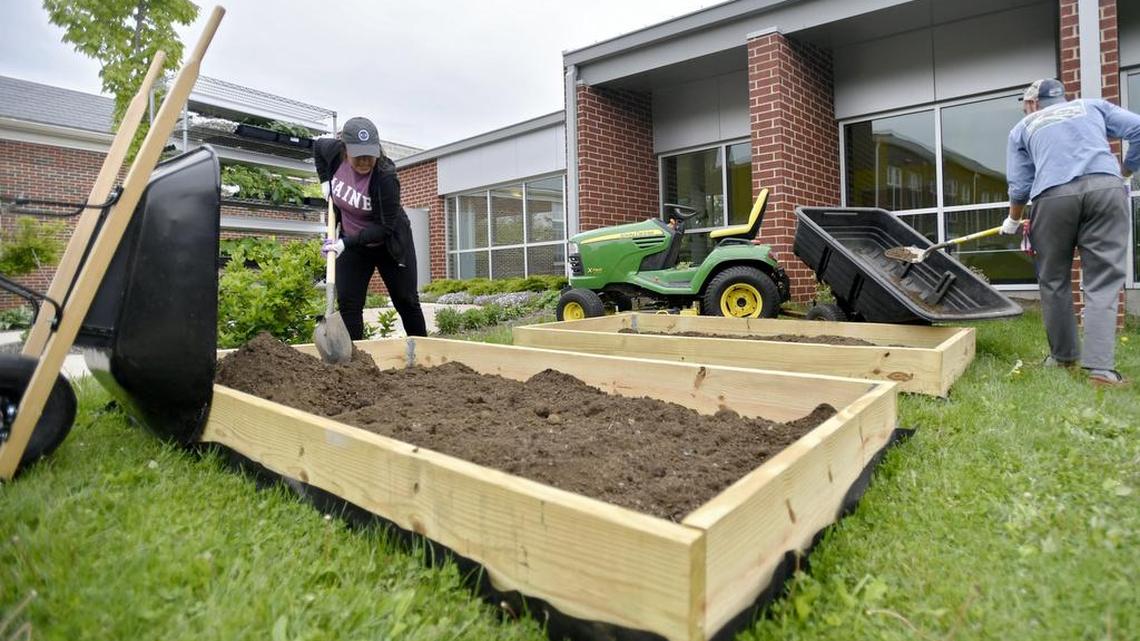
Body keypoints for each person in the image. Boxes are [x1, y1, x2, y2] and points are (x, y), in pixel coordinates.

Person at [1003, 78, 1140, 387]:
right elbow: (1138, 128)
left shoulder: (1023, 126)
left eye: (1025, 103)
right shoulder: (1091, 106)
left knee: (1053, 279)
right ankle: (1101, 370)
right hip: (1105, 189)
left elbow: (1021, 184)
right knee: (1102, 279)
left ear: (1033, 103)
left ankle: (1062, 358)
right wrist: (1126, 171)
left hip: (1052, 198)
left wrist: (1013, 219)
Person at [314, 116, 427, 339]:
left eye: (370, 155)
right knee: (349, 303)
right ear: (344, 150)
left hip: (388, 243)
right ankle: (356, 362)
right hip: (354, 244)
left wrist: (344, 243)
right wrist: (325, 181)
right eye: (358, 155)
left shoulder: (386, 177)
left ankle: (424, 354)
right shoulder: (333, 152)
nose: (365, 161)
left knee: (406, 301)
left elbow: (385, 227)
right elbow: (317, 147)